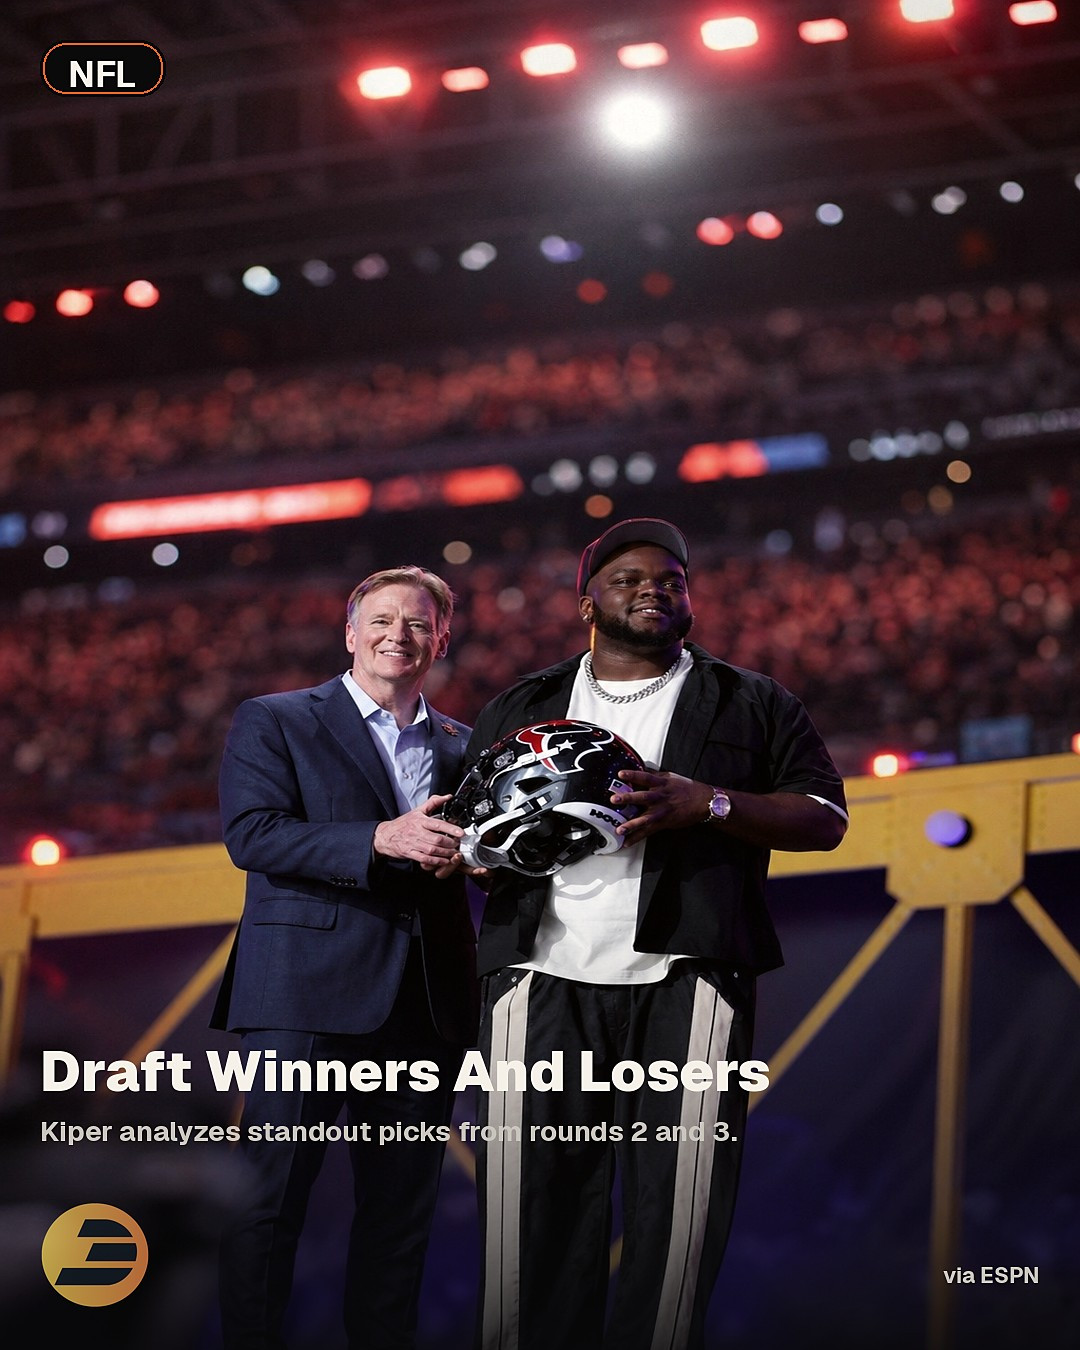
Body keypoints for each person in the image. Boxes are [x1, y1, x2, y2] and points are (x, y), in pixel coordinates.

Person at [463, 519, 848, 1350]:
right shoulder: (521, 705)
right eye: (629, 578)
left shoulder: (752, 698)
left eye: (671, 579)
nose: (653, 589)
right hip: (538, 975)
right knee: (529, 1209)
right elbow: (473, 834)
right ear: (586, 603)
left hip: (690, 976)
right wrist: (488, 855)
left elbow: (825, 817)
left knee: (679, 1211)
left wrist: (708, 803)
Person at [211, 564, 478, 1350]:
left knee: (400, 1219)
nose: (401, 634)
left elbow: (475, 856)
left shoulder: (466, 746)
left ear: (441, 640)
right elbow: (252, 835)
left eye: (420, 623)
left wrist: (480, 862)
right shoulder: (276, 719)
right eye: (384, 620)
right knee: (268, 1205)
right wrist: (381, 838)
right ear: (352, 632)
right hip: (304, 1000)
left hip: (425, 1007)